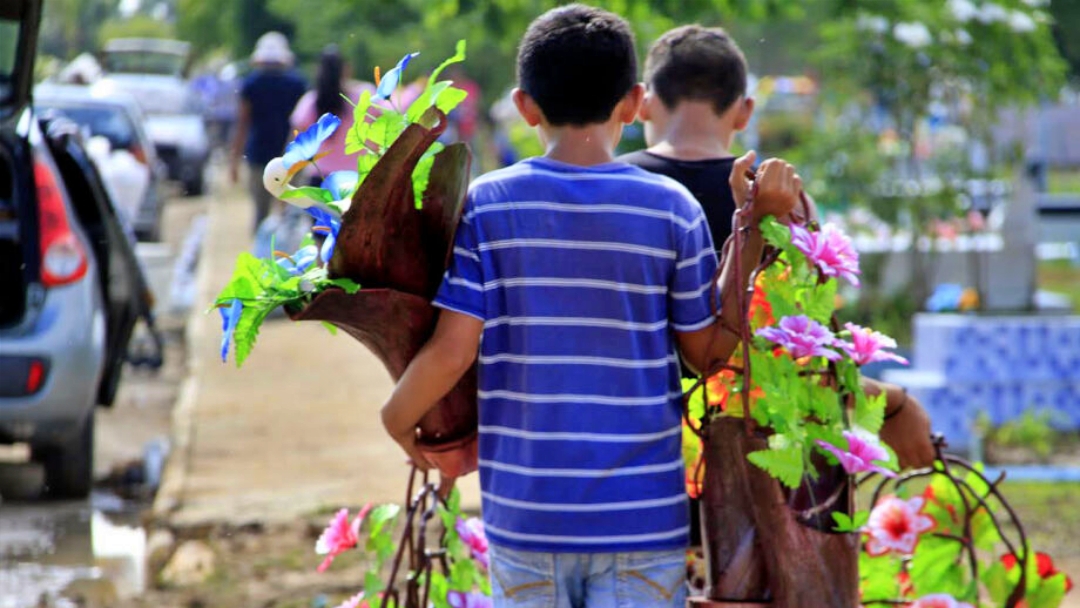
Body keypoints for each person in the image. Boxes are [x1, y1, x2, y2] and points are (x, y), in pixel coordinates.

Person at [379, 6, 801, 607]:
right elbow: (707, 352)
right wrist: (751, 235)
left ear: (525, 107)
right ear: (632, 103)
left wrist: (397, 420)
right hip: (643, 520)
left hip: (528, 516)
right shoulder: (671, 209)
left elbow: (452, 350)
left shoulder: (489, 206)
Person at [229, 32, 308, 233]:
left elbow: (243, 124)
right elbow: (304, 123)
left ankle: (261, 257)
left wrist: (234, 160)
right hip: (290, 155)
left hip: (258, 155)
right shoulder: (297, 84)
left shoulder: (251, 84)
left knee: (260, 213)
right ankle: (286, 258)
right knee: (288, 213)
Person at [290, 45, 377, 180]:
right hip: (357, 178)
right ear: (346, 69)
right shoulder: (365, 95)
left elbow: (297, 144)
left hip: (320, 177)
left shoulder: (311, 101)